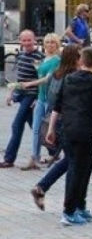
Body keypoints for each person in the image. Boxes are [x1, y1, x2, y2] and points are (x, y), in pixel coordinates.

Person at [46, 47, 92, 225]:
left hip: (67, 130)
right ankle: (69, 211)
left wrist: (51, 129)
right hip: (86, 132)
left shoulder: (68, 79)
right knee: (78, 169)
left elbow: (57, 106)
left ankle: (80, 206)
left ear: (81, 60)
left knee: (86, 166)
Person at [29, 44, 82, 211]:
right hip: (68, 122)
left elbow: (49, 97)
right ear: (75, 59)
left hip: (55, 120)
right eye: (79, 56)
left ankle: (42, 188)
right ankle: (71, 204)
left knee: (71, 159)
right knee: (74, 161)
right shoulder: (73, 77)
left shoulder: (55, 75)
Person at [0, 30, 44, 168]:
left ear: (34, 40)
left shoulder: (38, 57)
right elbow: (18, 78)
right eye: (23, 40)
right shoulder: (21, 55)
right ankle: (54, 149)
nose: (26, 43)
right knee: (34, 125)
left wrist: (38, 98)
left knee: (16, 125)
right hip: (21, 93)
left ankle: (9, 158)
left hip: (31, 95)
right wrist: (11, 93)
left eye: (28, 40)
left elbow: (41, 79)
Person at [17, 33, 62, 170]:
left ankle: (58, 154)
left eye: (52, 42)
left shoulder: (56, 60)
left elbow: (48, 79)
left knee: (49, 129)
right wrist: (37, 98)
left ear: (57, 44)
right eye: (47, 42)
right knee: (36, 129)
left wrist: (30, 84)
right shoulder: (44, 59)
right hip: (41, 98)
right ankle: (34, 157)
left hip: (50, 99)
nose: (49, 45)